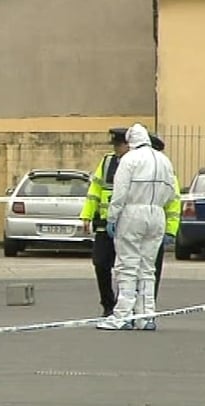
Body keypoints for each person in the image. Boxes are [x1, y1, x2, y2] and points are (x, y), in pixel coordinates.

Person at [80, 128, 178, 318]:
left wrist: (114, 217)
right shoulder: (161, 162)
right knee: (138, 268)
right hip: (145, 219)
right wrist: (89, 215)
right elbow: (96, 189)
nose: (116, 149)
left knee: (130, 267)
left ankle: (127, 313)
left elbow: (121, 194)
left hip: (129, 220)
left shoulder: (133, 161)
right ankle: (141, 313)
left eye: (120, 144)